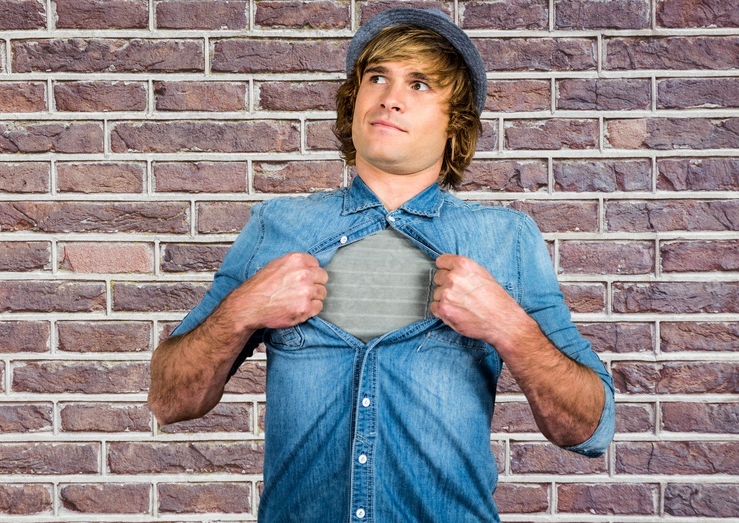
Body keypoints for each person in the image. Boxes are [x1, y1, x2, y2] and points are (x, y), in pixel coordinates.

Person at [148, 7, 615, 522]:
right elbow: (170, 399)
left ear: (454, 124)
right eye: (377, 77)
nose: (390, 97)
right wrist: (240, 310)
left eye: (419, 85)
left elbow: (591, 429)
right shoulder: (275, 226)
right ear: (354, 103)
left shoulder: (506, 239)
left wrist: (509, 327)